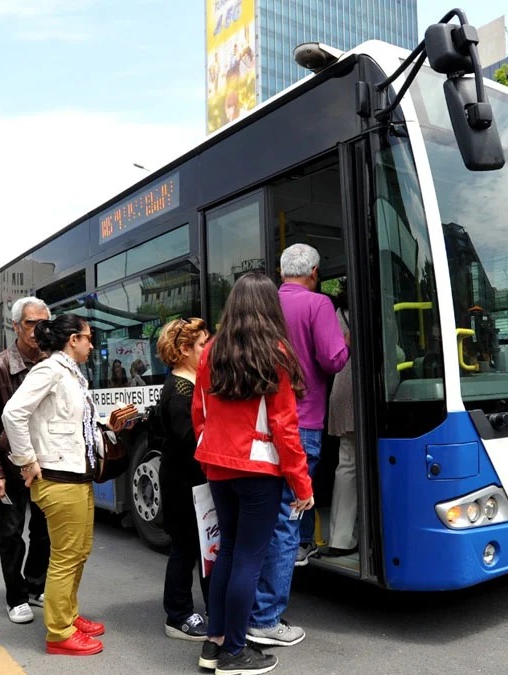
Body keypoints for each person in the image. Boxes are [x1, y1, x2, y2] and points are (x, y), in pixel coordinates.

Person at [192, 272, 313, 675]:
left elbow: (200, 413)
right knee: (249, 559)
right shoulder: (275, 351)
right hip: (259, 467)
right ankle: (235, 653)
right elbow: (285, 426)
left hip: (217, 464)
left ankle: (215, 642)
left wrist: (212, 449)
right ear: (269, 306)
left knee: (227, 552)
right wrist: (302, 483)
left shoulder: (211, 350)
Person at [2, 313, 137, 656]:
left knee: (78, 552)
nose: (92, 345)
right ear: (72, 340)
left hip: (77, 474)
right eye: (88, 338)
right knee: (65, 556)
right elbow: (12, 413)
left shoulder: (70, 373)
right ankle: (59, 632)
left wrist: (108, 424)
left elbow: (65, 422)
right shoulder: (49, 370)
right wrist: (27, 460)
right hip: (59, 477)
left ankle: (67, 615)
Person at [247, 243, 348, 648]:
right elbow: (333, 359)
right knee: (288, 519)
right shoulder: (318, 303)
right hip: (302, 422)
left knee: (266, 519)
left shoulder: (263, 305)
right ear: (315, 271)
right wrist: (346, 340)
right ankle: (267, 617)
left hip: (260, 425)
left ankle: (252, 607)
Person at [0, 297, 53, 624]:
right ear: (16, 326)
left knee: (45, 530)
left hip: (48, 463)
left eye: (42, 324)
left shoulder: (53, 362)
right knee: (10, 533)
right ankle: (15, 596)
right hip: (10, 467)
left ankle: (34, 586)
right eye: (30, 324)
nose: (37, 331)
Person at [156, 318, 211, 641]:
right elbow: (190, 440)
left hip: (191, 482)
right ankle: (177, 616)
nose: (208, 350)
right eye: (203, 345)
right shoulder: (179, 391)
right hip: (183, 484)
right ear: (183, 350)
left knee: (198, 547)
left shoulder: (191, 382)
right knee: (185, 548)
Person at [325, 288, 358, 557]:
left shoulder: (336, 314)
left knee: (346, 463)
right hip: (359, 391)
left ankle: (340, 537)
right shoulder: (376, 309)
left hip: (340, 391)